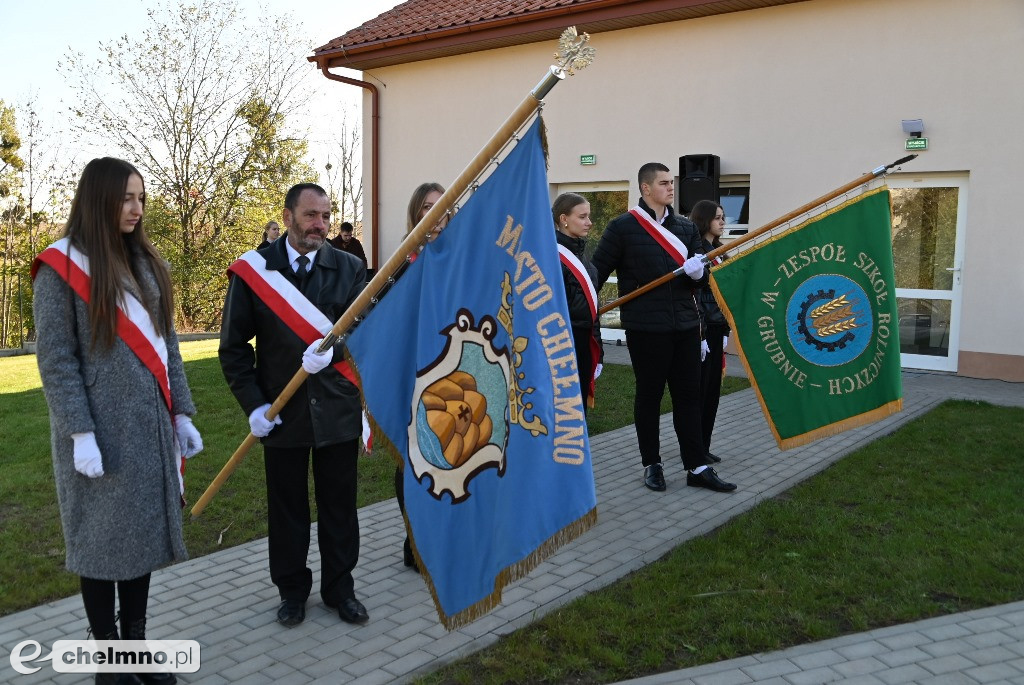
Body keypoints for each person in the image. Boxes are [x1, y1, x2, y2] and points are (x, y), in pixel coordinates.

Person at [33, 157, 204, 685]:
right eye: (126, 198)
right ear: (99, 199)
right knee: (102, 545)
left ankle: (135, 644)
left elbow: (168, 346)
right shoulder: (61, 267)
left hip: (148, 428)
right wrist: (79, 431)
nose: (136, 209)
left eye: (141, 198)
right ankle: (106, 656)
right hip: (97, 435)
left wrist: (182, 412)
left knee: (142, 542)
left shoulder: (147, 263)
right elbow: (56, 360)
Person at [219, 182, 369, 627]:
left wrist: (336, 352)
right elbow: (233, 349)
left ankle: (340, 590)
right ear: (287, 218)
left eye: (325, 216)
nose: (320, 225)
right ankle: (291, 592)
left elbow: (364, 335)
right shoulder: (256, 271)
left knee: (339, 507)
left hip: (338, 409)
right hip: (280, 414)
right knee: (287, 511)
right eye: (310, 216)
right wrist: (253, 406)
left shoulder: (350, 268)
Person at [591, 162, 737, 493]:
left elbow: (704, 279)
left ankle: (696, 466)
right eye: (663, 183)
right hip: (645, 329)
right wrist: (581, 304)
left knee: (689, 396)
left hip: (685, 326)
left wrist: (699, 273)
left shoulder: (685, 229)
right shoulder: (622, 228)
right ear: (645, 188)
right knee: (649, 397)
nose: (671, 188)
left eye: (671, 183)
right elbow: (597, 273)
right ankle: (652, 464)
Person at [552, 192, 603, 408]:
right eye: (582, 217)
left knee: (579, 407)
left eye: (588, 216)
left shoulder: (583, 256)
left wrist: (598, 350)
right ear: (564, 219)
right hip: (562, 345)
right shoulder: (551, 256)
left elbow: (593, 307)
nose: (589, 223)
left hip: (584, 341)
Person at [690, 200, 731, 464]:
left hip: (718, 327)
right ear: (705, 220)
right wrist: (702, 332)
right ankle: (696, 447)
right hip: (704, 329)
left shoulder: (719, 251)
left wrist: (726, 326)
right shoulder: (697, 252)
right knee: (701, 391)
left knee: (713, 392)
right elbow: (698, 294)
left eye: (723, 217)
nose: (722, 222)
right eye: (717, 218)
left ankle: (705, 444)